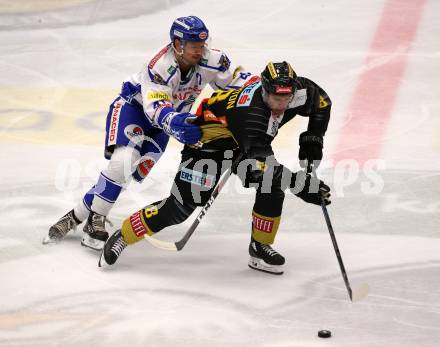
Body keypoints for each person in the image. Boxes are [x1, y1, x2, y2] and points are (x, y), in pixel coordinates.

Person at [43, 15, 256, 250]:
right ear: (177, 44)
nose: (200, 50)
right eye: (194, 45)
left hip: (165, 123)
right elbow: (155, 107)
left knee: (127, 173)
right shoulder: (160, 65)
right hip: (133, 109)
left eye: (202, 44)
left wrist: (262, 92)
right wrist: (176, 122)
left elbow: (238, 83)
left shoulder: (213, 59)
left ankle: (75, 215)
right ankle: (96, 221)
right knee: (122, 163)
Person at [99, 61, 332, 274]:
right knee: (178, 210)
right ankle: (125, 234)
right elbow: (265, 165)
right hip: (207, 145)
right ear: (264, 90)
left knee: (270, 186)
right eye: (275, 98)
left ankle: (260, 246)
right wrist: (303, 186)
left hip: (244, 142)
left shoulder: (300, 91)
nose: (281, 105)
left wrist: (313, 139)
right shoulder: (251, 113)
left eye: (286, 98)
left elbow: (322, 103)